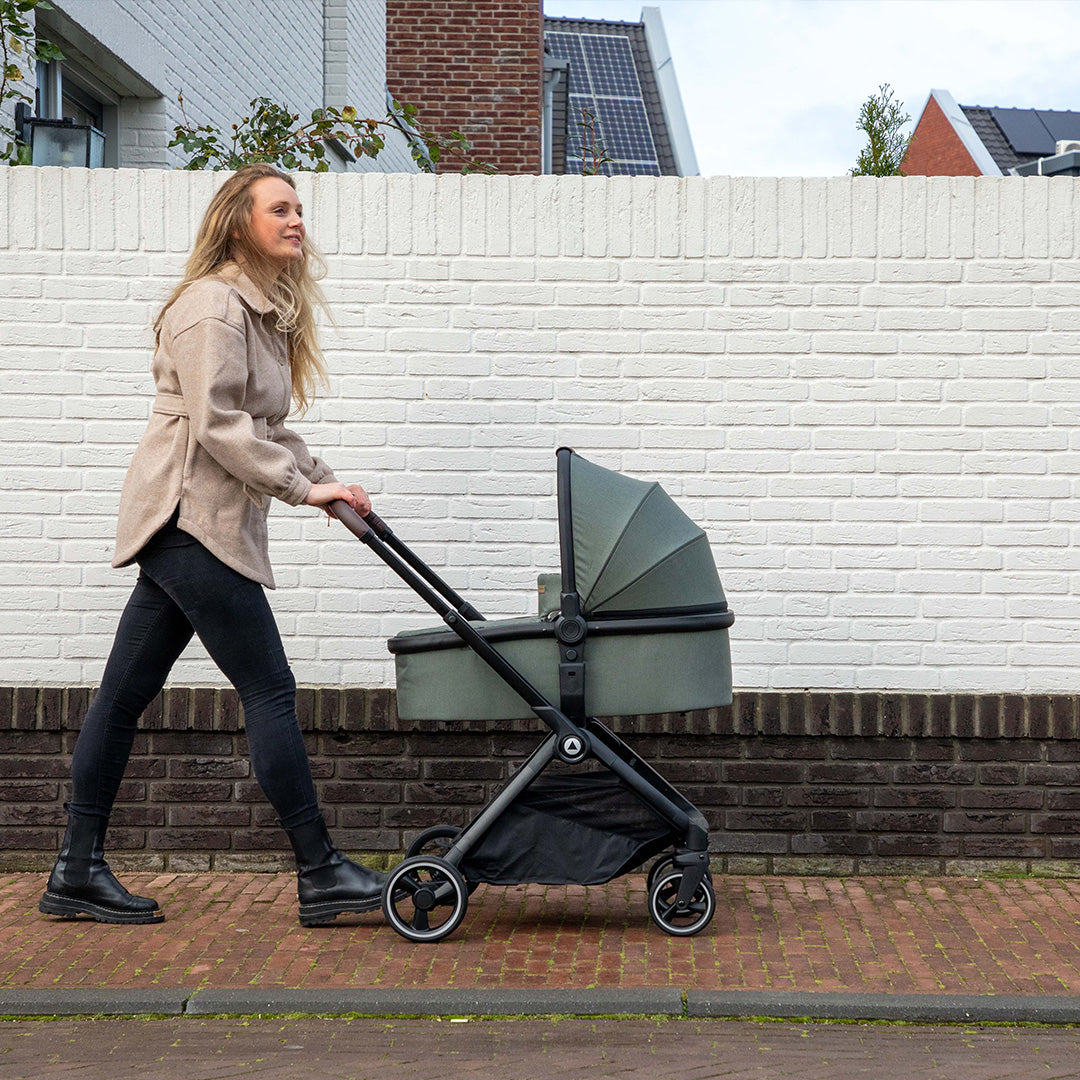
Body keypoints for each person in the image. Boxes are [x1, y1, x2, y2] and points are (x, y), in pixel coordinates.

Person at [39, 164, 385, 927]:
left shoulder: (257, 311)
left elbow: (261, 422)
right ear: (239, 223)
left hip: (197, 522)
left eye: (299, 209)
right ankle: (320, 871)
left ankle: (74, 871)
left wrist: (327, 481)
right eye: (280, 209)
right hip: (189, 518)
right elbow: (218, 425)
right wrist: (300, 490)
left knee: (122, 700)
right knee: (269, 690)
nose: (297, 221)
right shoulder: (212, 308)